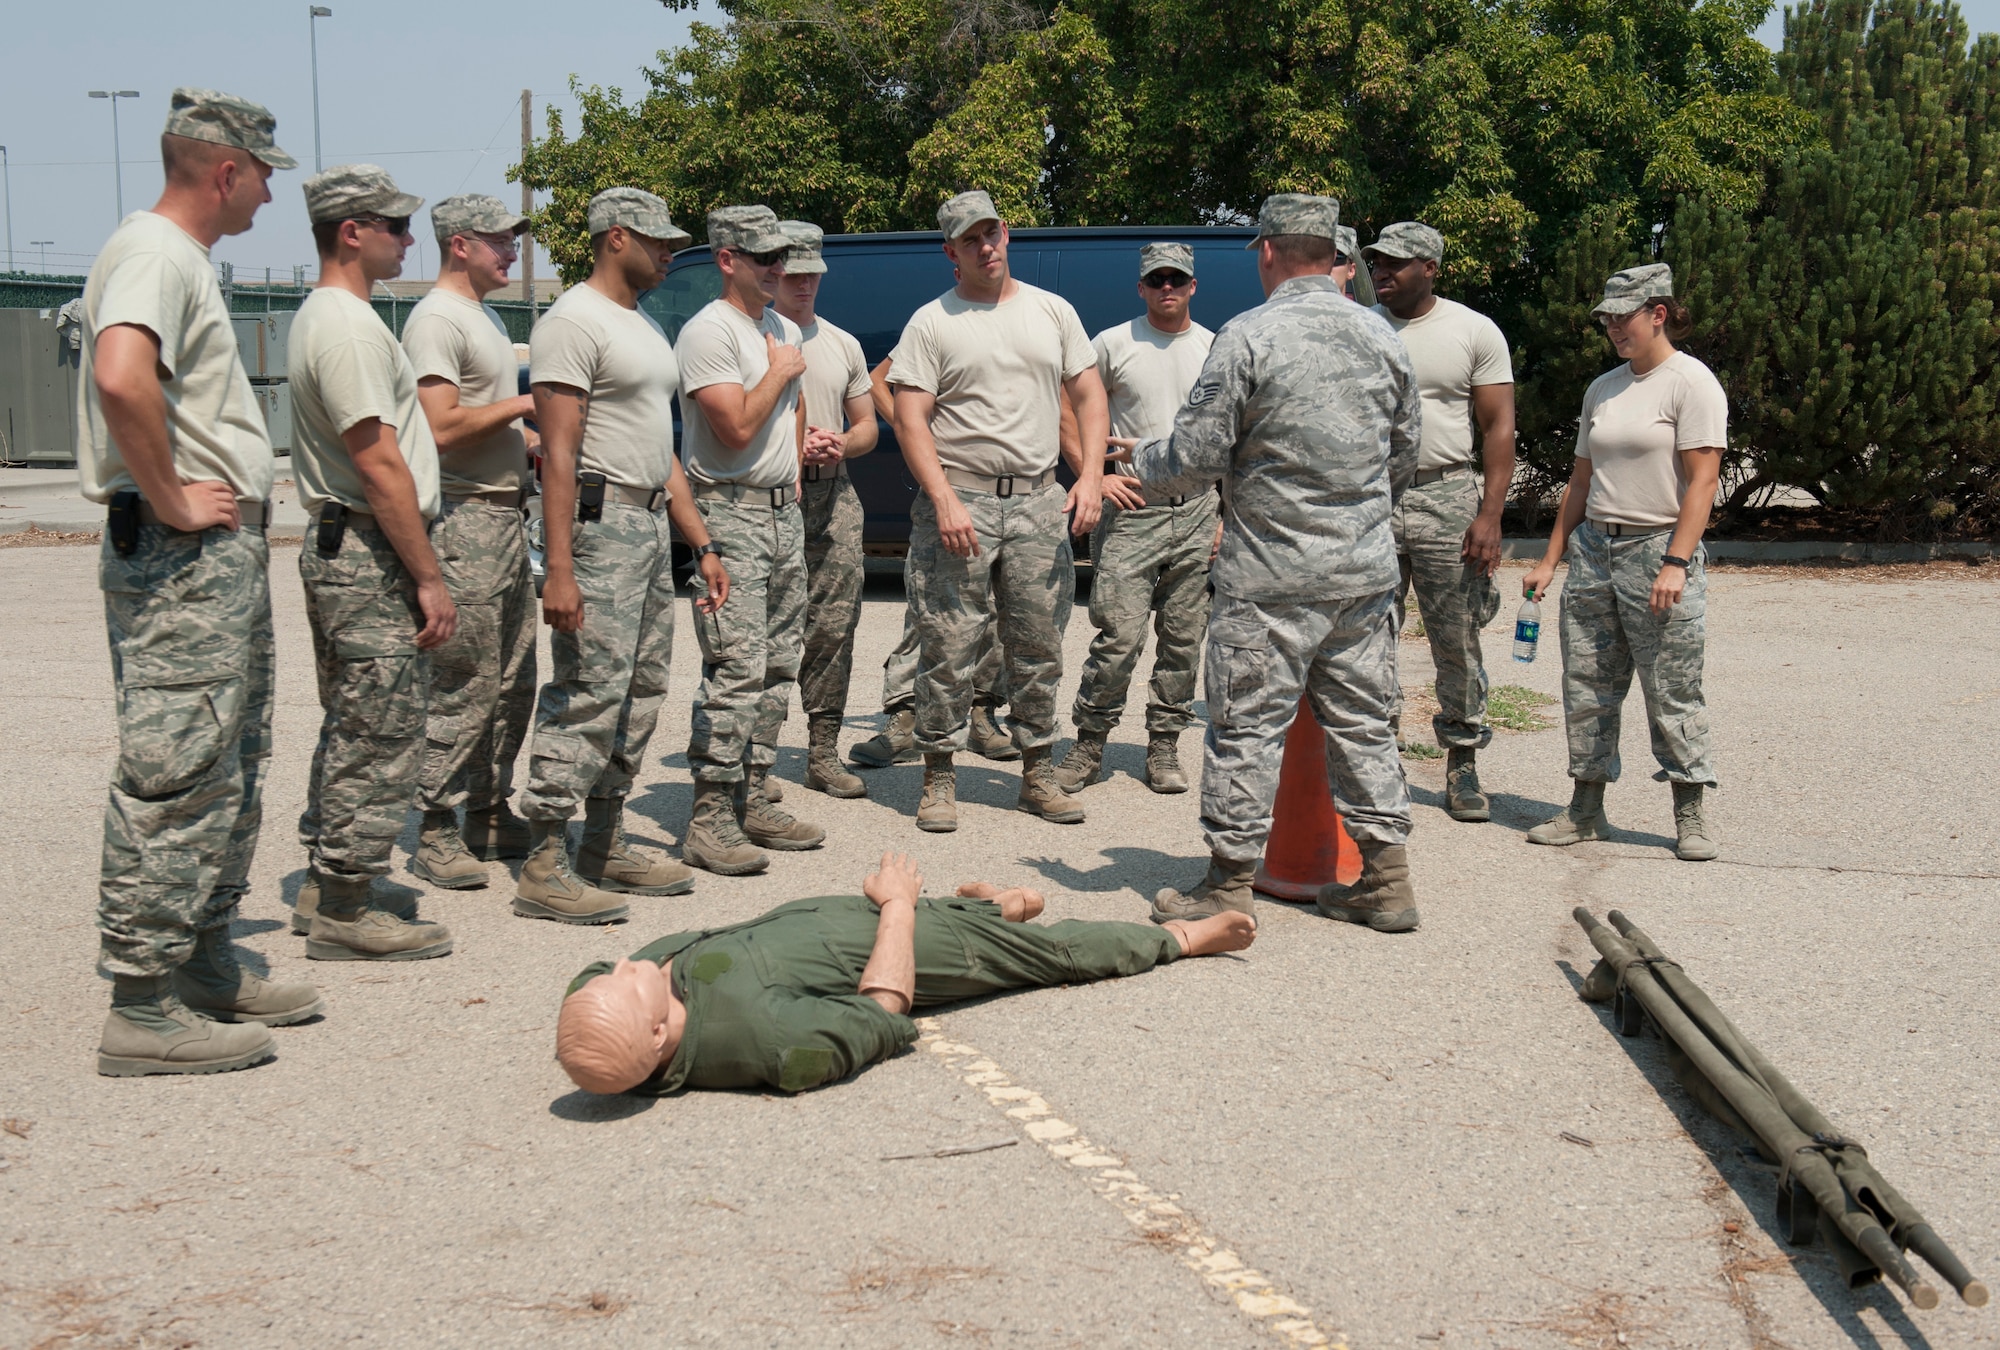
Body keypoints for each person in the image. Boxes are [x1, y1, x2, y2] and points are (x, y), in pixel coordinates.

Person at [81, 88, 321, 1075]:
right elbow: (119, 376)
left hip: (212, 560)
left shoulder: (179, 259)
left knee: (229, 757)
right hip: (183, 555)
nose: (269, 193)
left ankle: (205, 960)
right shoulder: (154, 252)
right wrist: (175, 499)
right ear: (225, 170)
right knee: (178, 765)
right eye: (265, 172)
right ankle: (142, 1002)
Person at [1126, 194, 1423, 932]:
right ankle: (1386, 881)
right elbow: (1405, 454)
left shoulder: (1248, 334)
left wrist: (1139, 459)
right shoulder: (1382, 335)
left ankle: (1228, 885)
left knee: (1246, 726)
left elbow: (1194, 457)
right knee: (1364, 725)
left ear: (1266, 251)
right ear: (1334, 256)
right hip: (1362, 576)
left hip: (1270, 580)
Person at [554, 851, 1256, 1095]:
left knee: (972, 915)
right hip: (915, 936)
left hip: (837, 923)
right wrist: (896, 907)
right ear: (655, 1031)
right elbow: (883, 1012)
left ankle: (997, 904)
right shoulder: (767, 1039)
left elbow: (592, 985)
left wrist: (603, 996)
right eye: (626, 980)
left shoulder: (621, 1008)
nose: (622, 963)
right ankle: (1181, 938)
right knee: (1056, 954)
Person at [519, 187, 729, 921]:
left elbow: (659, 445)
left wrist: (698, 539)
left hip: (645, 523)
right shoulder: (571, 323)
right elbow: (560, 452)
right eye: (656, 240)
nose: (669, 251)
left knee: (640, 691)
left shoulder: (637, 323)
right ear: (615, 237)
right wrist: (562, 567)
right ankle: (544, 858)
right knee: (589, 691)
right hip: (599, 525)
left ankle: (601, 842)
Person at [888, 190, 1110, 832]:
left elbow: (1090, 397)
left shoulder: (1052, 311)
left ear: (1006, 234)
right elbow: (910, 419)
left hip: (1039, 501)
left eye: (991, 233)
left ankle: (1037, 772)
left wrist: (1090, 475)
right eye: (969, 239)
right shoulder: (932, 322)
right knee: (948, 643)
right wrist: (943, 497)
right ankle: (938, 777)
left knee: (1039, 643)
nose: (985, 246)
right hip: (962, 504)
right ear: (950, 251)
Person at [289, 164, 460, 962]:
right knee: (381, 725)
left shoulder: (341, 317)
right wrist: (427, 576)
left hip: (349, 542)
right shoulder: (350, 328)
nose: (406, 239)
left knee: (357, 718)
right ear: (349, 232)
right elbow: (379, 463)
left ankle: (331, 880)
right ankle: (346, 908)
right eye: (393, 226)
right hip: (365, 548)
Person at [1519, 263, 1723, 862]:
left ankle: (1690, 811)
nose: (1612, 327)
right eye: (1606, 318)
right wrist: (1551, 557)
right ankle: (1586, 809)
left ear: (1658, 313)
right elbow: (1581, 480)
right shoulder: (1603, 388)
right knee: (1586, 684)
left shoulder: (1691, 383)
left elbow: (1704, 479)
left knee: (1671, 686)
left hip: (1656, 548)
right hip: (1594, 553)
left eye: (1623, 316)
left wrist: (1676, 562)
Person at [675, 205, 824, 872]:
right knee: (736, 666)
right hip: (727, 512)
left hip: (778, 512)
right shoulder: (708, 333)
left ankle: (754, 790)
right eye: (762, 256)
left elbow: (789, 417)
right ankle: (710, 813)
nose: (776, 268)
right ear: (726, 258)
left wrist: (790, 478)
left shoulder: (780, 328)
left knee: (780, 661)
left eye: (780, 256)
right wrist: (782, 371)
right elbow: (733, 428)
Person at [399, 194, 539, 890]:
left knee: (514, 677)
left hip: (504, 517)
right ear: (459, 245)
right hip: (463, 520)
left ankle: (488, 808)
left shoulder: (477, 316)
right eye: (498, 240)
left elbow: (480, 422)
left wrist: (526, 439)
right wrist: (524, 405)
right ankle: (434, 823)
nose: (510, 251)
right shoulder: (436, 320)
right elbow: (439, 427)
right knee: (466, 678)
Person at [1365, 221, 1517, 822]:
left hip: (1446, 497)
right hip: (1371, 498)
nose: (1381, 271)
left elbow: (1499, 426)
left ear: (1430, 267)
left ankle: (1462, 764)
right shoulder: (1359, 328)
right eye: (1376, 262)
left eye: (1396, 263)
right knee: (1367, 635)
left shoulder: (1473, 331)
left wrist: (1490, 513)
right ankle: (1379, 760)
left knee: (1456, 636)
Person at [1055, 242, 1218, 796]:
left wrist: (1227, 514)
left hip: (1198, 510)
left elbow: (1232, 437)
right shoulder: (1113, 344)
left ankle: (1165, 745)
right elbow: (1066, 402)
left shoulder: (1214, 348)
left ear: (1193, 285)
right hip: (1133, 511)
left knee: (1182, 640)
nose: (1167, 288)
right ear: (1141, 288)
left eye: (1177, 278)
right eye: (1156, 280)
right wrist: (1092, 474)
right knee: (1118, 637)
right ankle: (1088, 745)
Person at [847, 357, 1017, 769]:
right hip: (950, 484)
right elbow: (876, 380)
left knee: (996, 609)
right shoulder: (939, 322)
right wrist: (914, 435)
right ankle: (905, 717)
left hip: (1010, 489)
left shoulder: (1031, 316)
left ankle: (980, 712)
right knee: (931, 609)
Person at [770, 220, 877, 800]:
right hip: (773, 495)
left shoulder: (842, 343)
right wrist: (790, 444)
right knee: (769, 626)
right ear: (774, 271)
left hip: (834, 495)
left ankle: (821, 751)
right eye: (795, 271)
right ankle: (757, 754)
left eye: (814, 272)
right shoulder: (753, 337)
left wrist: (839, 440)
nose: (806, 282)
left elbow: (868, 427)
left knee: (833, 626)